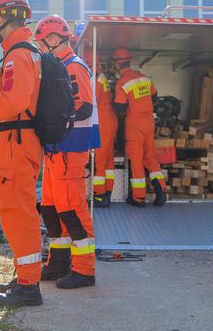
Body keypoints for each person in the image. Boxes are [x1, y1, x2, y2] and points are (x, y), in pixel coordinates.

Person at [0, 0, 44, 307]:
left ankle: (29, 285)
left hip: (16, 143)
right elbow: (15, 98)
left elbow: (15, 102)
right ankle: (24, 276)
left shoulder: (19, 54)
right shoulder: (19, 53)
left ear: (4, 17)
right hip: (17, 142)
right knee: (15, 213)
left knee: (19, 214)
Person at [33, 15, 100, 289]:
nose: (40, 48)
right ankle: (58, 263)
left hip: (71, 147)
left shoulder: (74, 66)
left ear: (53, 39)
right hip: (56, 149)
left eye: (42, 42)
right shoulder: (58, 67)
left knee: (72, 209)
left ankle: (84, 270)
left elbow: (83, 106)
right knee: (50, 208)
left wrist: (53, 117)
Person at [112, 48, 167, 207]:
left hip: (134, 123)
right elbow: (155, 96)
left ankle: (138, 197)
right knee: (150, 156)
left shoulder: (122, 83)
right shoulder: (144, 78)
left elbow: (120, 107)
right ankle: (161, 190)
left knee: (136, 159)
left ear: (117, 64)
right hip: (149, 121)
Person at [86, 52, 117, 208]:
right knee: (108, 159)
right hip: (109, 120)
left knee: (98, 160)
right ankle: (108, 192)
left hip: (103, 121)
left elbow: (90, 103)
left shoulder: (94, 80)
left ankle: (99, 195)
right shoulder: (101, 77)